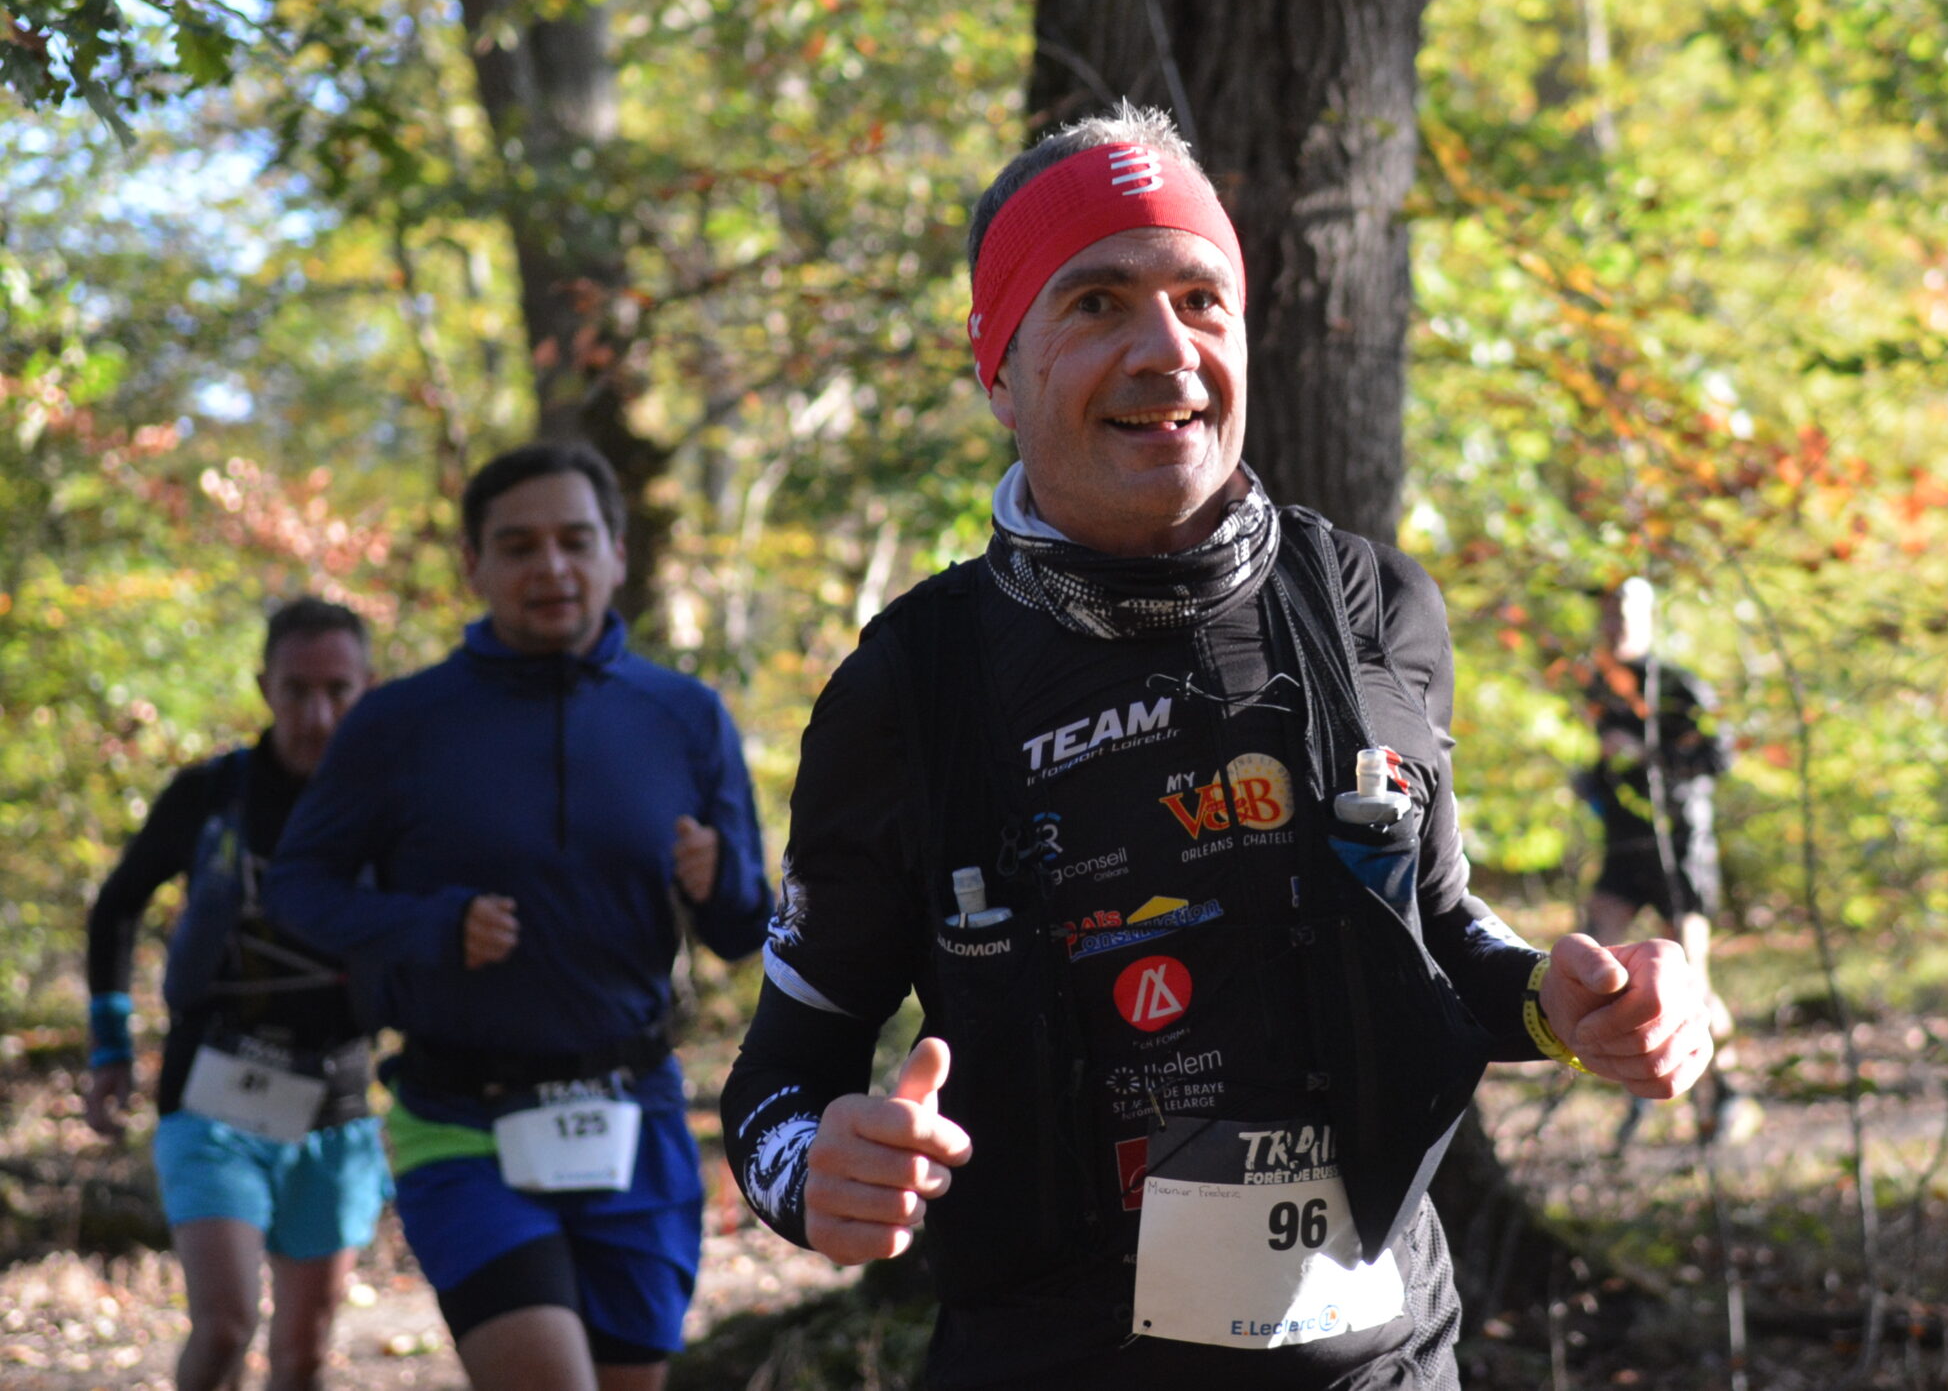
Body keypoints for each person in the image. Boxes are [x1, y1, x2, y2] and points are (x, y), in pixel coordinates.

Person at [722, 105, 1712, 1391]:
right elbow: (777, 1079)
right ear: (997, 366)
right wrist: (819, 1175)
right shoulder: (908, 687)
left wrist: (1573, 1003)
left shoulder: (1369, 604)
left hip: (1382, 1360)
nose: (1164, 350)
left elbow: (1439, 936)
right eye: (1094, 303)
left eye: (1201, 299)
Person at [270, 442, 773, 1391]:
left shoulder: (684, 714)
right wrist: (431, 926)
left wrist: (723, 879)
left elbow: (749, 932)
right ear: (474, 564)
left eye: (576, 540)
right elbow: (299, 886)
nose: (552, 567)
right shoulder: (400, 722)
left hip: (633, 1114)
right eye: (518, 545)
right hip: (462, 1119)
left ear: (617, 553)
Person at [84, 596, 387, 1391]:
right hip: (210, 1090)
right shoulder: (210, 793)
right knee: (223, 1326)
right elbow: (118, 904)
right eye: (296, 690)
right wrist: (110, 1043)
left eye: (338, 690)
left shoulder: (393, 805)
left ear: (368, 687)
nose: (316, 714)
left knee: (305, 1351)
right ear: (265, 686)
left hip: (336, 1099)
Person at [1576, 576, 1729, 958]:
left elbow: (1719, 757)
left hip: (1678, 842)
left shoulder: (1680, 686)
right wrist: (1590, 781)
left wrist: (1646, 753)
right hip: (1623, 841)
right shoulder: (1599, 687)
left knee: (1689, 979)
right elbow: (1607, 763)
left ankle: (1711, 1018)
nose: (1612, 627)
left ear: (1645, 619)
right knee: (1590, 959)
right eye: (1606, 616)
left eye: (1621, 615)